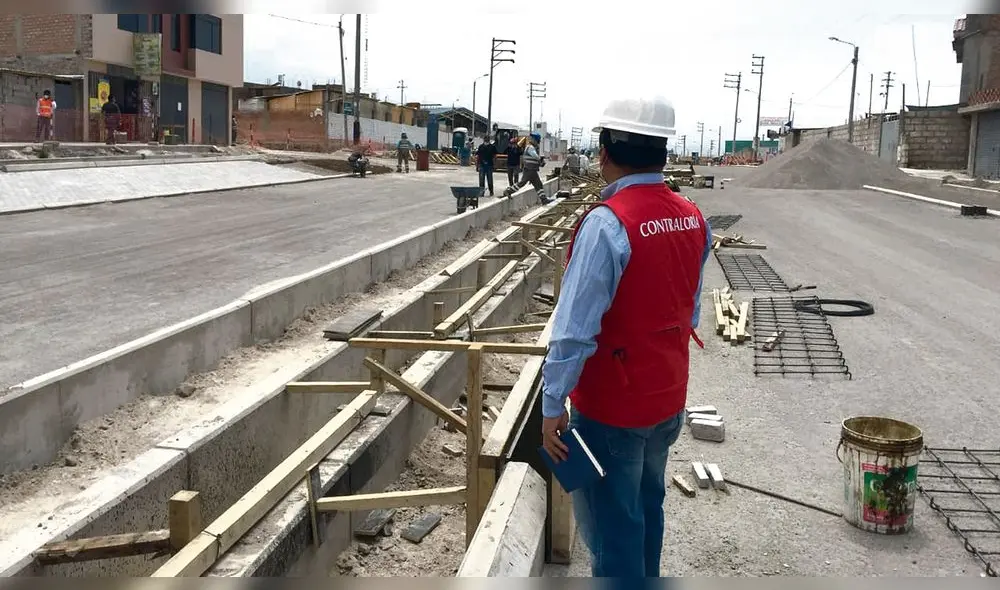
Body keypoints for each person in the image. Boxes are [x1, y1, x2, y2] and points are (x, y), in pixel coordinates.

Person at [539, 96, 713, 578]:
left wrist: (552, 406)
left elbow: (573, 332)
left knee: (614, 534)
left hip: (613, 411)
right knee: (646, 509)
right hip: (666, 401)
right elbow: (691, 308)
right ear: (663, 150)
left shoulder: (607, 223)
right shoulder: (692, 215)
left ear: (605, 150)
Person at [503, 132, 547, 203]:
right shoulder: (530, 147)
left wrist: (540, 162)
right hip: (529, 169)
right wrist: (540, 159)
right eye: (537, 141)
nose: (538, 143)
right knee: (522, 183)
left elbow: (534, 159)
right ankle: (508, 191)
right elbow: (534, 156)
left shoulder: (532, 147)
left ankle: (544, 199)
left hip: (532, 170)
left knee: (538, 184)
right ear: (536, 140)